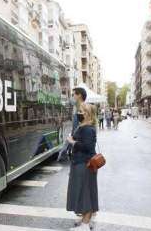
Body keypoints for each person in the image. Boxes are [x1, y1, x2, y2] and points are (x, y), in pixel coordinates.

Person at [66, 103, 99, 231]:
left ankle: (85, 225)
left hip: (85, 165)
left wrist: (73, 142)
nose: (79, 113)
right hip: (81, 164)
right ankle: (86, 221)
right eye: (79, 110)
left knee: (86, 195)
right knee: (85, 193)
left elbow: (88, 148)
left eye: (82, 111)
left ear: (88, 114)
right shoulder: (84, 127)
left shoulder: (88, 129)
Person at [58, 87, 87, 161]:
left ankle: (63, 154)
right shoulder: (78, 106)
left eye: (73, 94)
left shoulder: (82, 107)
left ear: (79, 95)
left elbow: (83, 126)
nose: (72, 96)